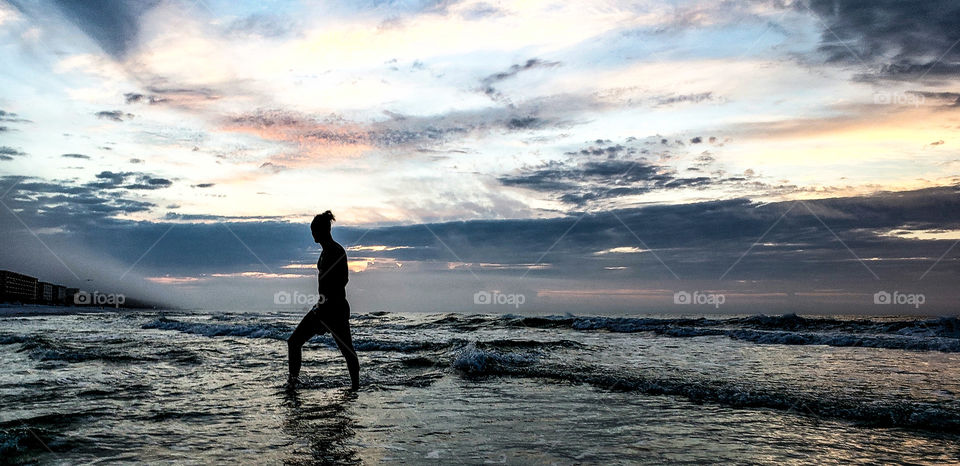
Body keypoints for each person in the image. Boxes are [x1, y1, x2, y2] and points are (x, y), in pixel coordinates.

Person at [287, 210, 360, 390]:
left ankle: (356, 387)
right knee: (294, 342)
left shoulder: (336, 251)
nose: (312, 234)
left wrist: (327, 304)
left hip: (335, 309)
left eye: (314, 231)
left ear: (321, 231)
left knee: (347, 351)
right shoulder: (324, 252)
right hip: (321, 308)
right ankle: (293, 383)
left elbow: (343, 280)